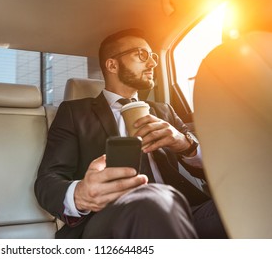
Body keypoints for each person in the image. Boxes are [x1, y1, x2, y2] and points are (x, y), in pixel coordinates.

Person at [34, 28, 227, 239]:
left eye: (153, 57)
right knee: (151, 200)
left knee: (250, 198)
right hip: (111, 219)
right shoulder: (74, 112)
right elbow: (47, 180)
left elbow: (214, 169)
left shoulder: (164, 110)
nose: (153, 63)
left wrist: (185, 144)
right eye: (142, 55)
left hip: (183, 211)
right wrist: (81, 194)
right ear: (112, 64)